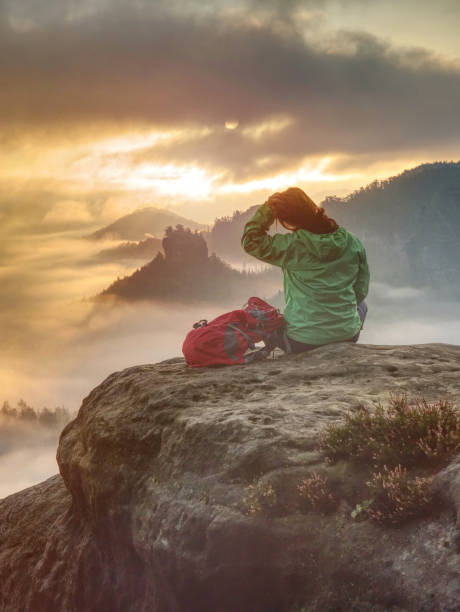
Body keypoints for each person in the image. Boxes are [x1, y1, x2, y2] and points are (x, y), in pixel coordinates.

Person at [241, 187, 370, 354]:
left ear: (290, 221)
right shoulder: (352, 242)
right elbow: (360, 289)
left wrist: (268, 209)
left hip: (301, 342)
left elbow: (251, 241)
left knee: (262, 319)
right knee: (362, 305)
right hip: (347, 335)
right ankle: (341, 331)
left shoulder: (293, 246)